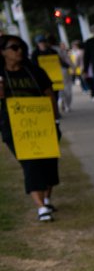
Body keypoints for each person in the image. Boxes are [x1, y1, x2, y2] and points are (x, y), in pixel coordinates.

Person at [0, 36, 60, 221]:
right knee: (30, 164)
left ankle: (47, 198)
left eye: (21, 47)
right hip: (15, 127)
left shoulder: (35, 72)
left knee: (48, 164)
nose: (19, 51)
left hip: (43, 124)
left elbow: (49, 95)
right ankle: (41, 207)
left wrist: (53, 118)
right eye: (14, 48)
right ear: (2, 52)